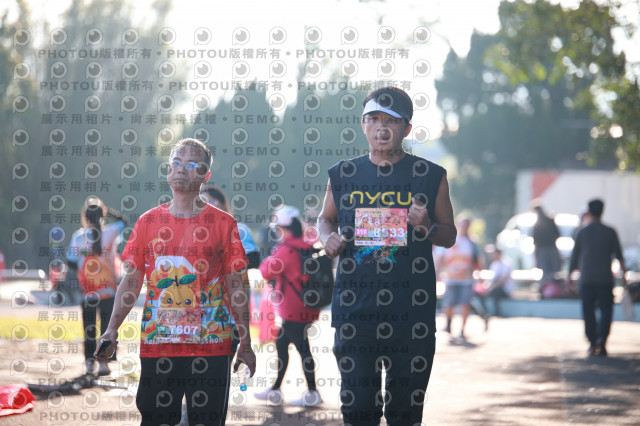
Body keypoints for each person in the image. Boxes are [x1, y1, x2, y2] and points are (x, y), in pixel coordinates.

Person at [318, 86, 456, 425]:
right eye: (373, 119)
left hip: (411, 317)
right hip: (355, 315)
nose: (381, 128)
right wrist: (327, 239)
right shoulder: (342, 174)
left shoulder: (431, 175)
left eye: (391, 121)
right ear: (363, 124)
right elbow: (325, 219)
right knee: (358, 412)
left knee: (404, 415)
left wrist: (427, 226)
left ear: (406, 128)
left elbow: (449, 235)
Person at [95, 138, 256, 425]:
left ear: (205, 176)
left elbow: (236, 287)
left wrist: (245, 341)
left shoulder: (224, 224)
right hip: (160, 344)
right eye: (176, 163)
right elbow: (131, 281)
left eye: (192, 165)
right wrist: (110, 329)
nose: (181, 169)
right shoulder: (147, 222)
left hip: (211, 346)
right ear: (169, 170)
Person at [254, 205, 323, 407]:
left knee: (301, 349)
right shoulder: (307, 244)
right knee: (283, 344)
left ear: (282, 228)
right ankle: (276, 390)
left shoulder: (287, 248)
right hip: (308, 305)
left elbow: (265, 270)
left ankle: (312, 393)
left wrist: (272, 255)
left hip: (293, 308)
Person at [66, 197, 127, 376]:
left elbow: (70, 262)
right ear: (103, 215)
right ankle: (104, 364)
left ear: (85, 216)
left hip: (87, 291)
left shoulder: (78, 237)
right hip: (108, 290)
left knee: (89, 328)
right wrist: (108, 211)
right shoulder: (111, 232)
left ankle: (89, 363)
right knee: (108, 328)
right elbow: (123, 221)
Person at [567, 199, 627, 357]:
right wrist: (624, 276)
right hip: (605, 279)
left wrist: (569, 277)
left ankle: (592, 341)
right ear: (602, 211)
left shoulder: (582, 232)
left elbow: (574, 258)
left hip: (587, 279)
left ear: (589, 212)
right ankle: (603, 340)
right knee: (606, 311)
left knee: (588, 311)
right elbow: (619, 256)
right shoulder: (610, 231)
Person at [436, 214, 483, 338]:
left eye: (466, 225)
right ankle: (448, 325)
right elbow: (441, 257)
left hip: (466, 278)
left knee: (465, 304)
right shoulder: (450, 239)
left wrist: (480, 275)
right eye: (462, 225)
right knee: (449, 303)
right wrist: (437, 273)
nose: (464, 227)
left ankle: (462, 329)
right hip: (451, 277)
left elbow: (477, 260)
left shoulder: (471, 243)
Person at [481, 244, 515, 317]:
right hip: (495, 288)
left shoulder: (506, 263)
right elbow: (491, 280)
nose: (492, 255)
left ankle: (497, 313)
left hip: (505, 290)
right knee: (481, 293)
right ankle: (485, 313)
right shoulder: (494, 264)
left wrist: (491, 289)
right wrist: (486, 288)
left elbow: (502, 281)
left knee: (495, 292)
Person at [532, 201, 561, 282]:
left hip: (543, 250)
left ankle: (547, 287)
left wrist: (536, 254)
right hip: (552, 248)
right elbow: (558, 234)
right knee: (554, 273)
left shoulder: (537, 224)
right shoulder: (550, 220)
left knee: (545, 273)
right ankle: (554, 287)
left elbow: (535, 241)